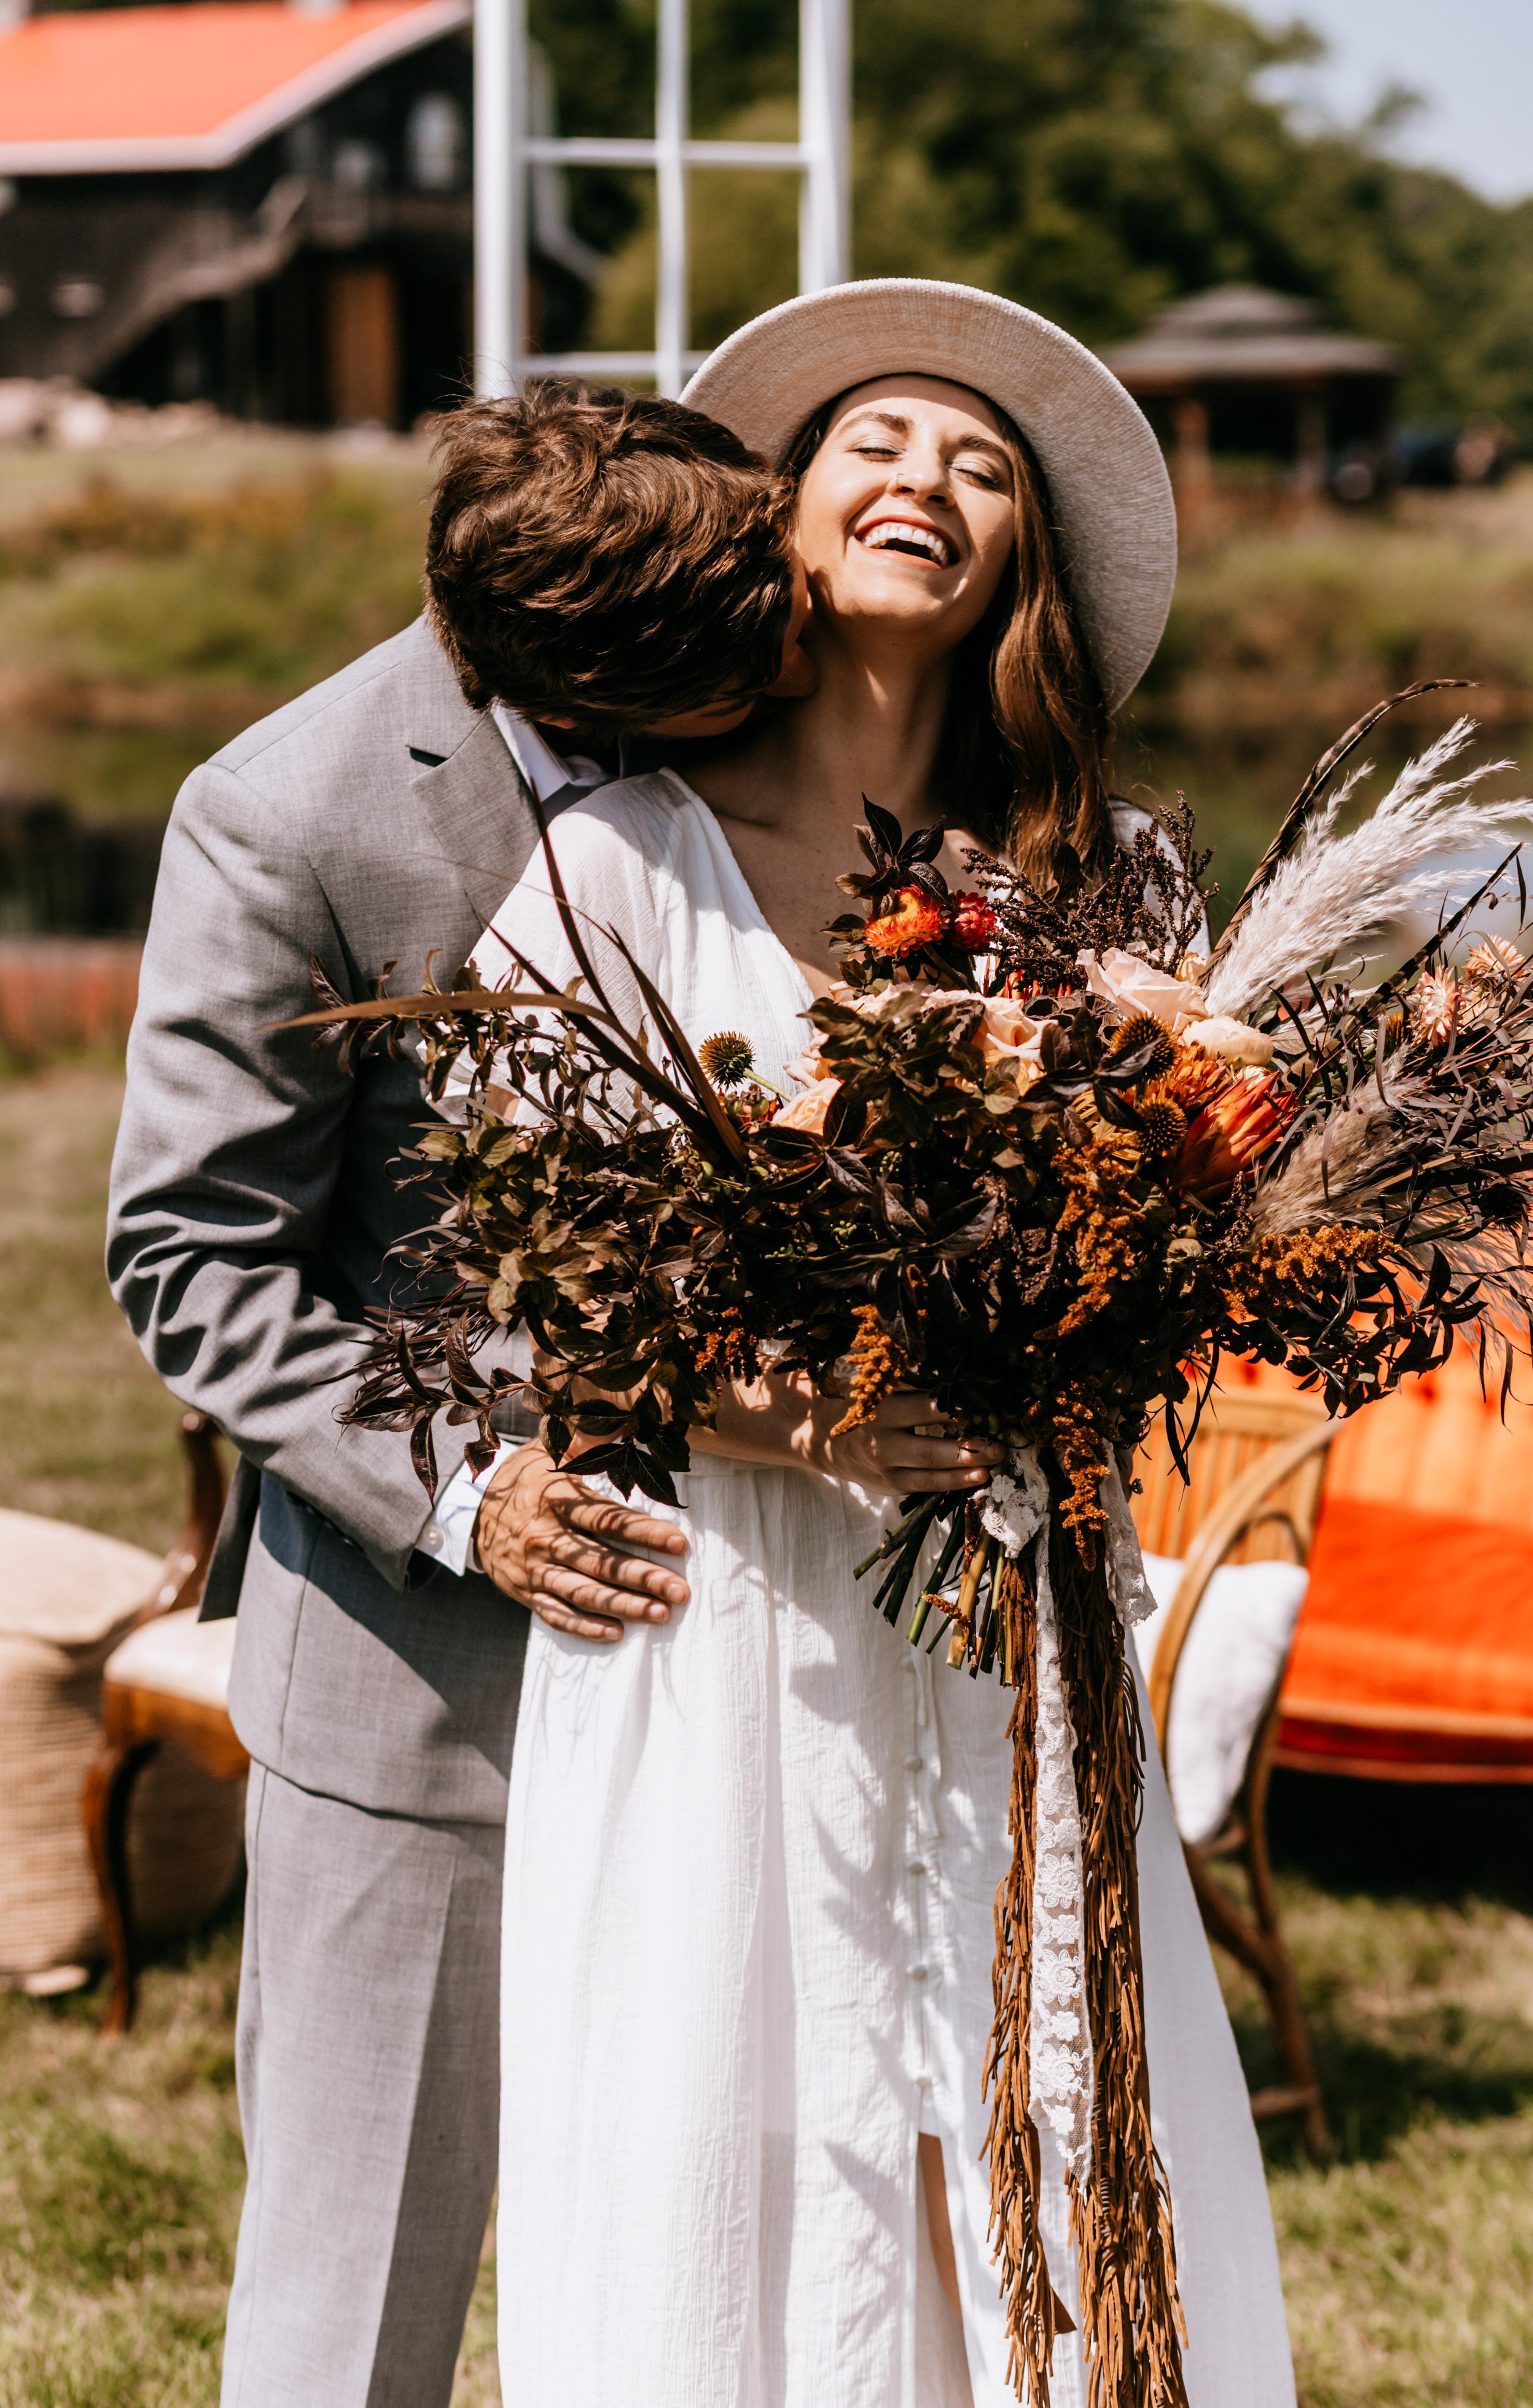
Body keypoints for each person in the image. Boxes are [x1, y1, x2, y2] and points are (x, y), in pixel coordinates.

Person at [475, 282, 1297, 2406]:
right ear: (787, 502)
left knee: (1024, 2110)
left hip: (1008, 1614)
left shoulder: (1104, 886)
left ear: (1020, 559)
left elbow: (1184, 1259)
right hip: (725, 1613)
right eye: (880, 440)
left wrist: (1094, 1304)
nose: (929, 480)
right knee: (738, 2116)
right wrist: (811, 1417)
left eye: (983, 466)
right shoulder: (616, 868)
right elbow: (533, 1272)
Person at [106, 380, 812, 2408]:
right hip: (426, 1688)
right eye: (759, 628)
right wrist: (470, 1494)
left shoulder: (773, 771)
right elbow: (189, 1261)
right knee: (360, 2309)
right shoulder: (289, 814)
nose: (805, 644)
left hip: (757, 1663)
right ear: (614, 673)